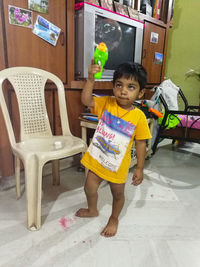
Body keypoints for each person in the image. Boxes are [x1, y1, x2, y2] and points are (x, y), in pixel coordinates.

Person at [75, 60, 152, 237]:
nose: (123, 91)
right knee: (89, 188)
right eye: (119, 85)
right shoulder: (107, 103)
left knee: (118, 195)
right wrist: (91, 79)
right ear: (113, 86)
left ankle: (114, 218)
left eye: (131, 87)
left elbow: (141, 143)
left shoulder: (139, 116)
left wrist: (140, 167)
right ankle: (92, 209)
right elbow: (86, 100)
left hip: (117, 166)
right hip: (97, 159)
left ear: (140, 93)